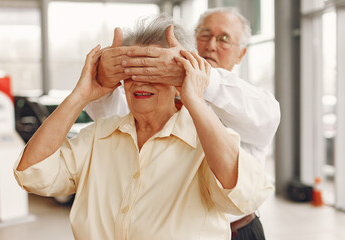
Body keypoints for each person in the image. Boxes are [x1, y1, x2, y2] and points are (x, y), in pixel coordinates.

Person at [14, 16, 272, 239]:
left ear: (178, 81)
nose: (139, 82)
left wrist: (193, 96)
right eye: (131, 72)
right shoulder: (98, 137)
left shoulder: (204, 142)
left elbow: (244, 193)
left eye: (154, 72)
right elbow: (31, 172)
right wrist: (80, 95)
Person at [85, 8, 280, 240]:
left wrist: (197, 75)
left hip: (239, 230)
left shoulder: (249, 101)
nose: (211, 45)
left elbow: (267, 118)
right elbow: (107, 114)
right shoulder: (156, 93)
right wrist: (104, 77)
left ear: (241, 54)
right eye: (204, 35)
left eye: (224, 39)